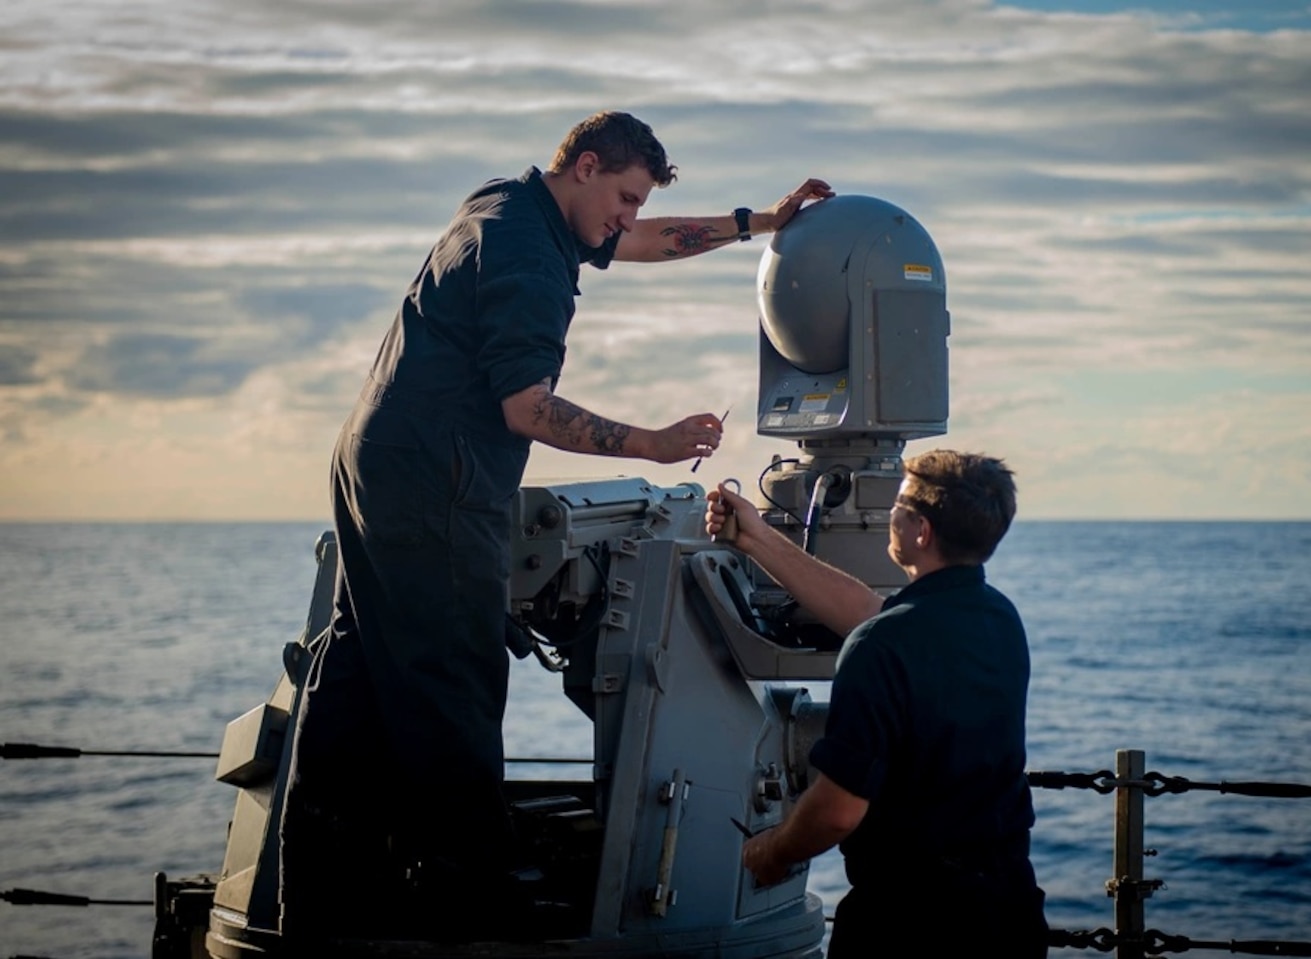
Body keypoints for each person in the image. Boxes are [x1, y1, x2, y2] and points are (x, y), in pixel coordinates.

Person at [279, 109, 833, 939]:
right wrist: (650, 443)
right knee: (454, 683)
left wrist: (755, 222)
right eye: (623, 196)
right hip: (437, 481)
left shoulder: (509, 202)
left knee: (358, 669)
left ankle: (317, 899)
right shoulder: (529, 256)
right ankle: (475, 903)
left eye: (638, 202)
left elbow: (648, 244)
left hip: (375, 461)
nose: (628, 219)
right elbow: (525, 406)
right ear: (583, 166)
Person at [705, 450, 1048, 958]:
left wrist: (772, 851)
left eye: (900, 504)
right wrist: (755, 539)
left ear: (921, 532)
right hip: (1006, 909)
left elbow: (839, 812)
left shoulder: (880, 646)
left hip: (910, 923)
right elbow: (871, 612)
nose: (890, 512)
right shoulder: (998, 616)